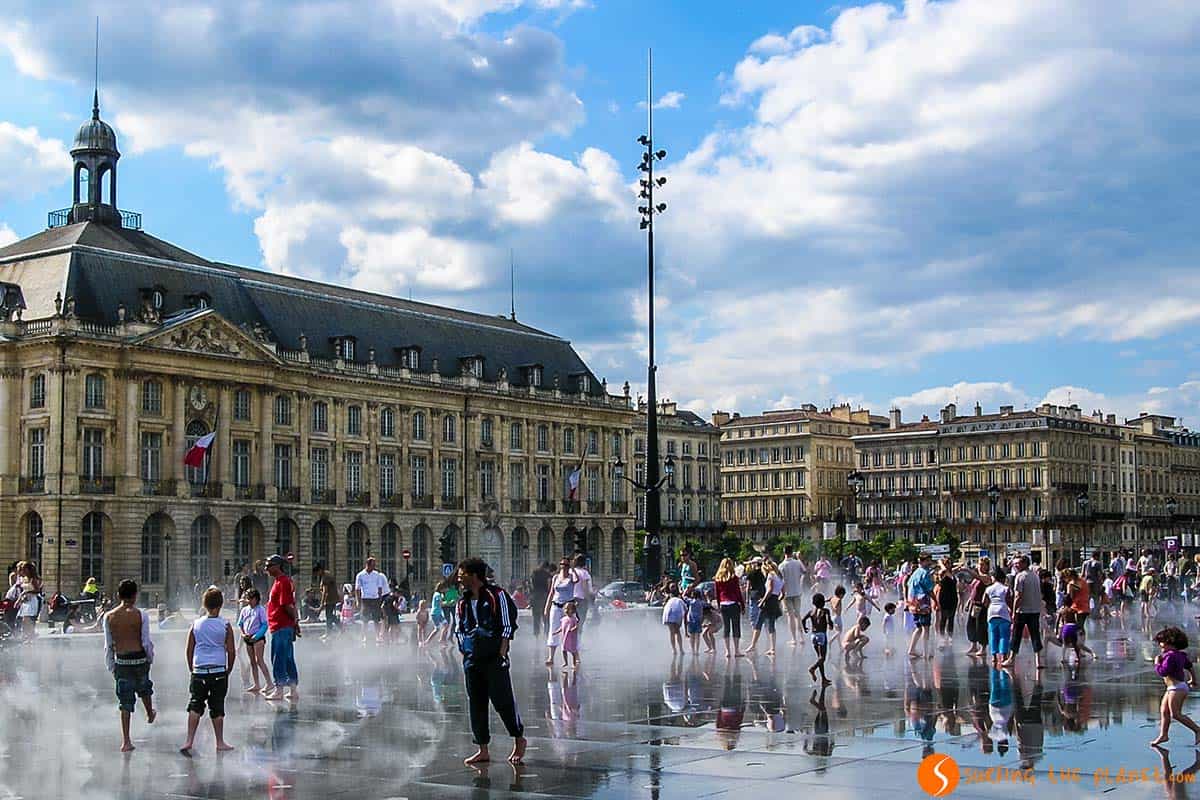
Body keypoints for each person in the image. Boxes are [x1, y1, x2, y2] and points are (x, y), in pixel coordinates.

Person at [455, 557, 526, 765]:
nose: (459, 579)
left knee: (503, 701)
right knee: (476, 703)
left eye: (462, 575)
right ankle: (482, 748)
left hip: (494, 658)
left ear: (474, 576)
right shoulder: (463, 602)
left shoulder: (497, 595)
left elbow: (507, 624)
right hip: (472, 660)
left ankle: (518, 738)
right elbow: (459, 628)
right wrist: (464, 649)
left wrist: (502, 652)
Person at [180, 587, 236, 756]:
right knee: (217, 706)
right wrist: (229, 668)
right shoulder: (225, 625)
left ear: (204, 604)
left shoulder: (195, 624)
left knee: (195, 704)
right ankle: (219, 742)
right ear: (220, 605)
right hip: (219, 670)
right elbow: (231, 651)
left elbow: (189, 649)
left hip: (199, 669)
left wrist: (192, 667)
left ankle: (189, 740)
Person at [103, 579, 156, 752]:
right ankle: (149, 713)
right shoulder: (141, 615)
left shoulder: (109, 616)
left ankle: (126, 741)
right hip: (139, 658)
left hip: (122, 660)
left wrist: (112, 666)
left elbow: (108, 645)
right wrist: (150, 658)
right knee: (145, 689)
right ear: (135, 595)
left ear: (118, 595)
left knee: (125, 702)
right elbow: (146, 641)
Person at [1150, 627, 1200, 746]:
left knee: (1176, 714)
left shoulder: (1170, 656)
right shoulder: (1179, 655)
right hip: (1174, 688)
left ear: (1170, 643)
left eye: (1161, 643)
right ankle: (1163, 735)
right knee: (1164, 711)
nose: (1160, 646)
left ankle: (1198, 730)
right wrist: (1193, 679)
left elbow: (1163, 671)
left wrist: (1157, 663)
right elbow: (1189, 666)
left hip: (1177, 688)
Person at [265, 554, 300, 702]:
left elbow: (287, 605)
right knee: (288, 657)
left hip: (280, 626)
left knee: (278, 657)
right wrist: (295, 623)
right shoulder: (280, 581)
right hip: (283, 625)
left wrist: (295, 621)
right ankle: (293, 689)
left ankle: (279, 689)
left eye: (269, 565)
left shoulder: (283, 582)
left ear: (277, 566)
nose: (266, 568)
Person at [1007, 556, 1044, 669]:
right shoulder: (1035, 576)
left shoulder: (1020, 576)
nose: (1015, 565)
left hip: (1022, 610)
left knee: (1016, 635)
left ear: (1024, 564)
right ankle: (1038, 660)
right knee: (1035, 635)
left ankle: (1011, 659)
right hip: (1035, 610)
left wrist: (1014, 611)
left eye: (1017, 563)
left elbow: (1018, 596)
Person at [237, 588, 273, 695]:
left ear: (256, 599)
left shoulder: (260, 609)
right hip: (248, 637)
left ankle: (269, 682)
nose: (249, 600)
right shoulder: (245, 610)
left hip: (258, 638)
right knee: (252, 662)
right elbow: (240, 623)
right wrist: (243, 634)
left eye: (251, 598)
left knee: (259, 660)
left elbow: (265, 625)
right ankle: (256, 683)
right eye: (248, 598)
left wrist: (257, 636)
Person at [746, 558, 784, 656]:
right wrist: (778, 600)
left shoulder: (770, 576)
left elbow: (769, 590)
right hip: (774, 601)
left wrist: (762, 600)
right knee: (771, 625)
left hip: (768, 602)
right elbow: (783, 593)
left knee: (758, 623)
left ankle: (753, 645)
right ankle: (772, 648)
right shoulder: (779, 576)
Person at [544, 559, 578, 666]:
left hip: (568, 608)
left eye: (566, 565)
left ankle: (575, 656)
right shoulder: (555, 577)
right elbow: (551, 593)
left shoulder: (571, 577)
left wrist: (573, 568)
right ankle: (551, 657)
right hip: (556, 606)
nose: (563, 567)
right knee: (553, 630)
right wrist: (547, 607)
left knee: (570, 632)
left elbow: (577, 580)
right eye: (562, 564)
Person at [713, 558, 746, 659]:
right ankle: (736, 651)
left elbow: (717, 594)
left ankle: (727, 651)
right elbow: (738, 592)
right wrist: (743, 605)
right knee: (736, 627)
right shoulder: (734, 578)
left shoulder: (718, 579)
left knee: (726, 628)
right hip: (733, 603)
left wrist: (718, 605)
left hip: (723, 604)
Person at [906, 554, 934, 660]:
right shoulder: (925, 573)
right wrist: (936, 601)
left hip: (913, 603)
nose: (930, 563)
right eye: (928, 561)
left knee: (919, 628)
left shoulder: (915, 573)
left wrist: (908, 603)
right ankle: (925, 653)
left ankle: (912, 649)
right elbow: (929, 590)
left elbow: (908, 586)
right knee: (926, 628)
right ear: (923, 561)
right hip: (923, 604)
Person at [354, 557, 389, 643]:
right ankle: (364, 636)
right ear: (367, 565)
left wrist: (380, 600)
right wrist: (358, 601)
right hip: (365, 599)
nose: (374, 567)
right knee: (365, 619)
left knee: (376, 619)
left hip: (375, 599)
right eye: (373, 565)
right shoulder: (360, 575)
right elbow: (357, 589)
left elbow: (380, 588)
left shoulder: (377, 575)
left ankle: (377, 636)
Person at [802, 593, 833, 685]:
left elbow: (803, 619)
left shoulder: (811, 611)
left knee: (820, 658)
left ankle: (823, 679)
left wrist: (805, 628)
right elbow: (828, 620)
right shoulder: (825, 611)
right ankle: (812, 668)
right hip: (821, 635)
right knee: (822, 658)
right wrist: (830, 624)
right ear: (823, 603)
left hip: (813, 635)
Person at [985, 568, 1013, 668]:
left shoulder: (988, 589)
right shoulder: (1005, 589)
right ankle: (1004, 655)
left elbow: (985, 601)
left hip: (992, 611)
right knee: (1004, 635)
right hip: (1003, 611)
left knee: (993, 634)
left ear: (994, 577)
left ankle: (994, 656)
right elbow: (1009, 601)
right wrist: (1012, 612)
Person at [779, 547, 807, 647]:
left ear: (784, 552)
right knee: (798, 615)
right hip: (797, 592)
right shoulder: (797, 563)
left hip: (786, 593)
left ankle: (794, 639)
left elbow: (780, 581)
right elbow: (804, 571)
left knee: (790, 616)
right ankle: (802, 637)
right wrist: (799, 558)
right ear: (792, 552)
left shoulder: (781, 565)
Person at [933, 559, 958, 650]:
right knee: (943, 618)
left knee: (951, 619)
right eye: (946, 563)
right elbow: (944, 571)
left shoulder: (951, 572)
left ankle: (950, 638)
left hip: (953, 598)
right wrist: (940, 563)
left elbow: (953, 572)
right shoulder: (941, 573)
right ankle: (942, 639)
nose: (948, 565)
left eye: (949, 563)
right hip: (944, 598)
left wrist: (961, 568)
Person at [16, 560, 42, 641]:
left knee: (26, 619)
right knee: (25, 620)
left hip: (32, 600)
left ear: (28, 569)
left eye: (24, 569)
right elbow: (23, 591)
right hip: (26, 601)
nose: (23, 571)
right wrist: (20, 599)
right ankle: (28, 635)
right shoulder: (24, 579)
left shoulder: (33, 579)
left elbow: (37, 591)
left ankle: (31, 635)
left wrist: (26, 592)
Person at [571, 554, 595, 633]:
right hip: (581, 599)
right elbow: (585, 588)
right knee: (580, 621)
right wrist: (588, 599)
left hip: (571, 599)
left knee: (571, 621)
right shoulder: (584, 573)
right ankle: (578, 641)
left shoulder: (571, 571)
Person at [315, 563, 339, 638]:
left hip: (330, 599)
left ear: (320, 570)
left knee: (328, 616)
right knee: (330, 615)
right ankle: (341, 627)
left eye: (317, 572)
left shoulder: (325, 577)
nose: (316, 574)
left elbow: (325, 592)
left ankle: (329, 633)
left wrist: (322, 604)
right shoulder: (327, 574)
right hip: (332, 598)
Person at [529, 562, 552, 639]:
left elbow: (531, 585)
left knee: (536, 618)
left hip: (535, 597)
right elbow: (549, 587)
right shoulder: (547, 575)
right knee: (545, 617)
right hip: (544, 597)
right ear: (547, 567)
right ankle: (546, 635)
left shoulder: (534, 572)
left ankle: (536, 637)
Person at [557, 600, 581, 668]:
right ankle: (565, 662)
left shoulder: (574, 619)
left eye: (568, 609)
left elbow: (577, 626)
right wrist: (556, 632)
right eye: (565, 609)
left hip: (572, 638)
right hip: (564, 638)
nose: (566, 610)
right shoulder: (563, 619)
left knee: (573, 651)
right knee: (564, 650)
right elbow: (561, 627)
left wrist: (572, 629)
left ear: (572, 610)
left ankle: (574, 663)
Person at [662, 588, 685, 655]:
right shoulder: (680, 600)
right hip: (676, 616)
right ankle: (681, 649)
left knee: (672, 633)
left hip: (668, 616)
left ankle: (674, 650)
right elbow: (685, 609)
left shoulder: (669, 600)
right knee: (677, 632)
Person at [683, 586, 705, 655]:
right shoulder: (701, 602)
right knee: (697, 636)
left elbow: (683, 596)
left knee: (692, 636)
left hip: (691, 620)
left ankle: (693, 651)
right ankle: (697, 651)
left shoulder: (691, 601)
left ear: (693, 595)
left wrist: (686, 589)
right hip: (698, 620)